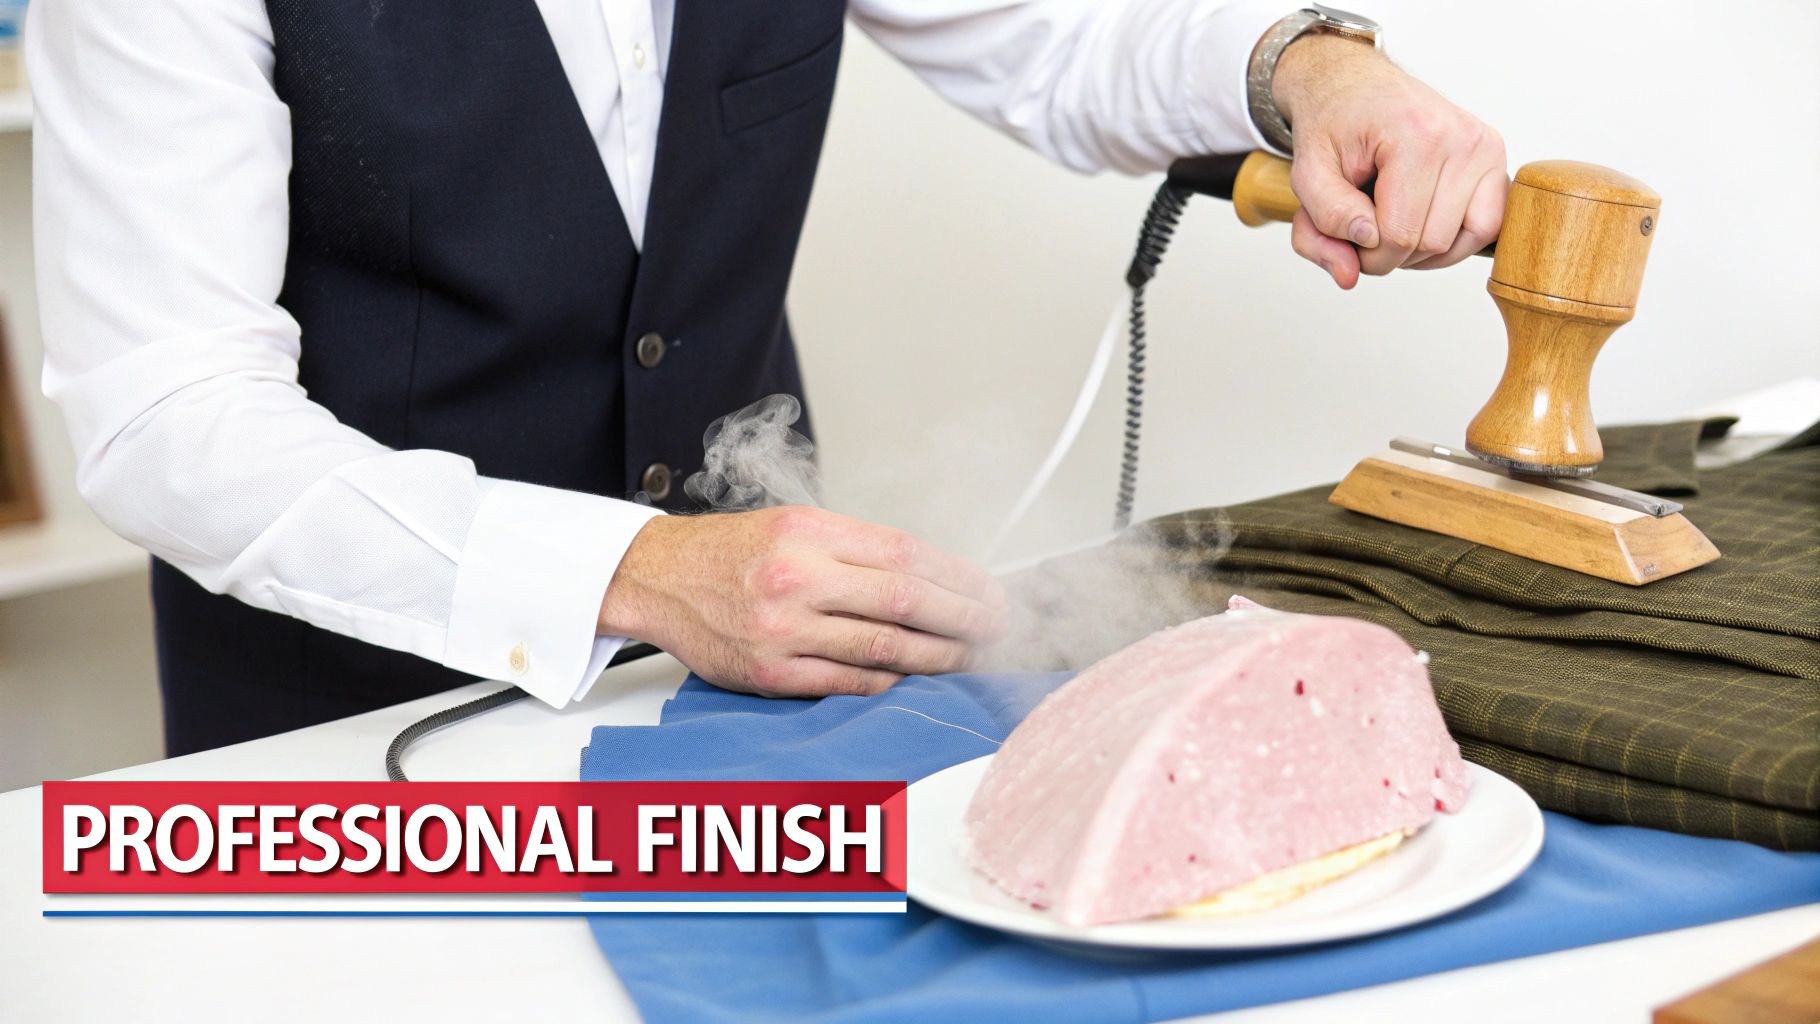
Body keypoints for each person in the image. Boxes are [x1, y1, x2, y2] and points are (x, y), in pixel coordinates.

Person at [28, 1, 1507, 755]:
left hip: (752, 695)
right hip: (344, 727)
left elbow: (1063, 39)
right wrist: (640, 567)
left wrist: (1303, 63)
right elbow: (165, 412)